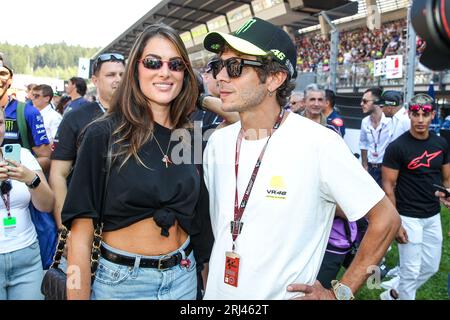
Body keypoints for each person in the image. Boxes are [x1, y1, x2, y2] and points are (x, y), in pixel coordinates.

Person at [202, 17, 400, 300]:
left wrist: (340, 293)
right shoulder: (217, 144)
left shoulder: (318, 143)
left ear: (274, 78)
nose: (221, 76)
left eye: (235, 67)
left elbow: (386, 220)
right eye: (218, 65)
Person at [61, 23, 212, 300]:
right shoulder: (103, 134)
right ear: (136, 69)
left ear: (185, 74)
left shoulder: (188, 135)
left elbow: (199, 220)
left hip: (184, 276)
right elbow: (79, 238)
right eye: (153, 63)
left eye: (176, 64)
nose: (165, 72)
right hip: (123, 284)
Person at [381, 93, 447, 300]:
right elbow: (388, 187)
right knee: (410, 272)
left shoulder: (441, 144)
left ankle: (392, 294)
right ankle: (401, 293)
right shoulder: (397, 147)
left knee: (430, 266)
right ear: (409, 114)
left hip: (432, 216)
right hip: (408, 216)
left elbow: (447, 179)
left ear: (433, 116)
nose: (420, 119)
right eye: (416, 114)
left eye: (425, 114)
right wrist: (396, 223)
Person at [50, 53, 125, 229]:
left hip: (127, 221)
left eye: (122, 75)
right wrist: (64, 227)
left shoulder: (138, 116)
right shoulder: (75, 117)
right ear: (95, 80)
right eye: (111, 75)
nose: (118, 80)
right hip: (87, 219)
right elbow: (58, 174)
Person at [0, 107, 55, 300]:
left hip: (27, 256)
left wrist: (31, 178)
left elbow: (47, 205)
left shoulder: (21, 156)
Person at [0, 53, 52, 174]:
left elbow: (45, 158)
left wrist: (16, 172)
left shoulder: (28, 112)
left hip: (15, 188)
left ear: (10, 79)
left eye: (2, 74)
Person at [359, 87, 391, 186]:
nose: (361, 104)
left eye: (365, 101)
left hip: (386, 168)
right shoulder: (365, 121)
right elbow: (363, 144)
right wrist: (364, 166)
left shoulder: (390, 121)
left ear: (377, 102)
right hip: (370, 168)